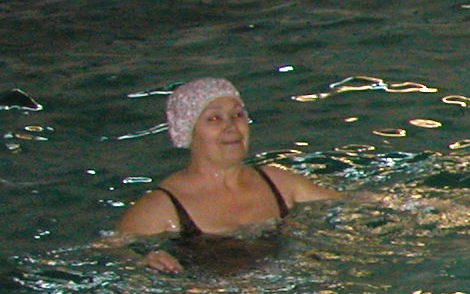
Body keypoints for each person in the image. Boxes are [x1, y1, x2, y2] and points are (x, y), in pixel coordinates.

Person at [110, 77, 341, 274]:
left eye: (238, 115)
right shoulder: (162, 208)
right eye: (214, 118)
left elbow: (350, 204)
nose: (231, 127)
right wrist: (142, 260)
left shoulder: (280, 183)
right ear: (187, 131)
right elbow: (110, 251)